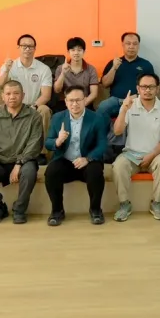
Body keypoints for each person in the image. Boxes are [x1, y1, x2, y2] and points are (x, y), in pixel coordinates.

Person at [0, 80, 44, 224]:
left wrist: (19, 164)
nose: (12, 97)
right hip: (0, 162)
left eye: (16, 93)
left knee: (29, 171)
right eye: (8, 94)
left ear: (23, 95)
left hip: (24, 161)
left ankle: (19, 209)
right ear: (2, 96)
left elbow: (34, 144)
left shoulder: (34, 116)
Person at [111, 73, 160, 221]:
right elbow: (117, 131)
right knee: (118, 166)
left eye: (151, 87)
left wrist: (151, 155)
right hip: (131, 154)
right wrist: (124, 110)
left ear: (157, 89)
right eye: (144, 87)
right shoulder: (129, 105)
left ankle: (157, 203)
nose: (147, 90)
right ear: (138, 88)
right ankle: (124, 204)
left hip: (157, 154)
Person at [45, 86, 109, 225]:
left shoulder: (96, 118)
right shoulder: (57, 118)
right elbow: (48, 142)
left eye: (78, 100)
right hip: (65, 161)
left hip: (87, 160)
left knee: (96, 171)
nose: (75, 104)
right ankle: (57, 211)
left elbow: (102, 144)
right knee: (51, 172)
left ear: (85, 100)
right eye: (71, 100)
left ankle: (95, 210)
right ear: (66, 102)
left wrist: (88, 158)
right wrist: (58, 141)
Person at [0, 34, 53, 141]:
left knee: (44, 110)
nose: (27, 49)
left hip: (35, 106)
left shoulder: (44, 69)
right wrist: (6, 70)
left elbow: (46, 95)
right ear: (18, 47)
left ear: (35, 49)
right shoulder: (9, 65)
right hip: (13, 105)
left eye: (30, 46)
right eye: (24, 46)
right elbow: (0, 86)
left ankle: (43, 148)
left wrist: (33, 107)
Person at [97, 32, 155, 119]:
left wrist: (138, 96)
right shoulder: (114, 62)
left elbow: (152, 86)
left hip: (137, 100)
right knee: (103, 107)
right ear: (123, 45)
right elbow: (105, 84)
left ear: (138, 46)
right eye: (128, 43)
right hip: (115, 101)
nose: (131, 46)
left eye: (135, 44)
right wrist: (114, 68)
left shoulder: (146, 65)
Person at [54, 37, 99, 109]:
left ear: (84, 52)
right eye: (73, 50)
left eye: (79, 50)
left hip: (85, 103)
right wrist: (63, 73)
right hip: (65, 104)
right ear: (68, 52)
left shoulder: (91, 69)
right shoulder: (60, 68)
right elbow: (57, 90)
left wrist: (82, 104)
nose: (76, 53)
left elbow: (94, 94)